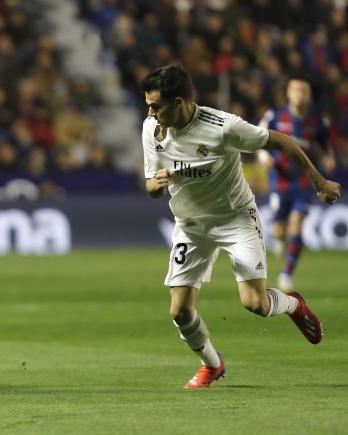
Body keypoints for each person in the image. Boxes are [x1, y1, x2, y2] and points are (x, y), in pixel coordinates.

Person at [141, 65, 341, 389]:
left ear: (178, 102)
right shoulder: (152, 129)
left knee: (255, 305)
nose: (149, 112)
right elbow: (151, 183)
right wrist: (156, 184)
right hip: (191, 225)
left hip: (235, 218)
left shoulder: (222, 126)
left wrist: (319, 183)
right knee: (179, 311)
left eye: (155, 105)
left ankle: (293, 304)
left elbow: (281, 141)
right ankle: (212, 364)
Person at [257, 75, 336, 292]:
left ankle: (287, 274)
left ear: (308, 95)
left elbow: (325, 145)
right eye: (295, 91)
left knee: (297, 224)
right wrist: (265, 159)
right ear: (288, 93)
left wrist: (329, 158)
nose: (299, 95)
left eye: (303, 91)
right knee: (280, 231)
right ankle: (280, 242)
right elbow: (257, 139)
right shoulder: (275, 116)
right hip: (279, 179)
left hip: (303, 180)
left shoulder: (318, 121)